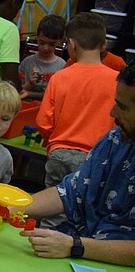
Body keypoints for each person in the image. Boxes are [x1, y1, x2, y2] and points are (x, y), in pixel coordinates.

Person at [16, 61, 135, 267]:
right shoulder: (116, 139)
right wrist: (10, 207)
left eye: (123, 107)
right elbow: (71, 192)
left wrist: (76, 246)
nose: (112, 113)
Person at [35, 11, 117, 192]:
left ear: (71, 44)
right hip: (97, 155)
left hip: (60, 152)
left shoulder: (60, 77)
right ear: (104, 44)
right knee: (85, 211)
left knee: (53, 208)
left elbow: (43, 122)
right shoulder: (117, 81)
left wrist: (54, 143)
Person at [19, 14, 66, 101]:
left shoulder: (62, 66)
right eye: (41, 42)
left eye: (52, 44)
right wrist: (30, 84)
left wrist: (30, 94)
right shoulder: (27, 62)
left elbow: (57, 97)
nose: (45, 48)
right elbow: (18, 91)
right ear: (37, 38)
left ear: (59, 41)